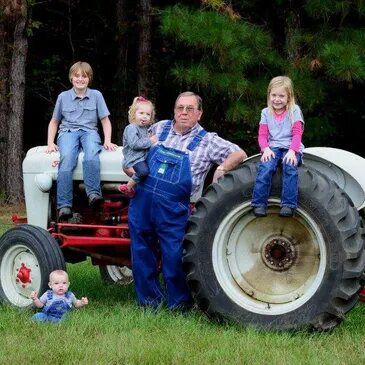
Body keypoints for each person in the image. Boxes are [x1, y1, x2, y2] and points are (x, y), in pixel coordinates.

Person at [128, 91, 247, 311]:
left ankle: (179, 304)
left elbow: (239, 153)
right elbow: (133, 148)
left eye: (190, 109)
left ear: (199, 113)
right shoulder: (158, 128)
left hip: (175, 207)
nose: (183, 112)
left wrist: (221, 168)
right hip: (143, 200)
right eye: (179, 107)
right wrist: (129, 166)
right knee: (142, 253)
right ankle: (149, 303)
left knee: (174, 256)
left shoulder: (208, 140)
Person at [46, 61, 117, 220]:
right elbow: (54, 121)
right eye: (77, 76)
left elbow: (105, 120)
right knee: (67, 159)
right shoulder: (63, 97)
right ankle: (64, 205)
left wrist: (107, 140)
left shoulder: (96, 95)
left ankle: (93, 194)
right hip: (68, 132)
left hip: (89, 131)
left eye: (84, 76)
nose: (80, 79)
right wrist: (50, 142)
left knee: (92, 154)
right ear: (71, 77)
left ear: (89, 79)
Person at [251, 76, 304, 218]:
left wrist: (293, 151)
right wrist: (265, 149)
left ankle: (288, 204)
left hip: (290, 147)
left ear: (289, 97)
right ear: (269, 95)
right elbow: (262, 135)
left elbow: (297, 134)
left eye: (281, 96)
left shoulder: (294, 110)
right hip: (272, 147)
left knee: (290, 167)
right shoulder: (265, 112)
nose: (277, 99)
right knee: (266, 167)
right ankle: (259, 203)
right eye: (274, 95)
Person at [118, 96, 157, 198]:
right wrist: (150, 140)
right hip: (134, 159)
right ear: (134, 114)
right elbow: (134, 144)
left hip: (142, 158)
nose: (144, 117)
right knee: (144, 171)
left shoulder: (145, 129)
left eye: (148, 114)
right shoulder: (131, 128)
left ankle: (137, 192)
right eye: (141, 113)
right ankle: (128, 187)